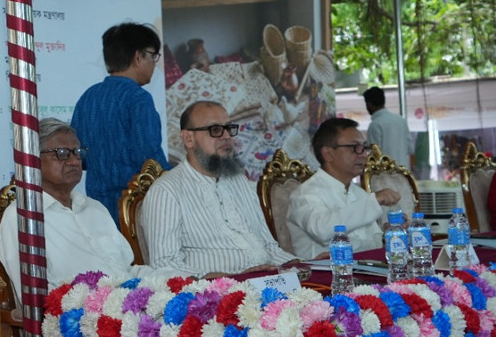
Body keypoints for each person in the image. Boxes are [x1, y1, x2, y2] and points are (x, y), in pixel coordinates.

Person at [140, 101, 297, 277]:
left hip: (267, 283)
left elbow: (269, 247)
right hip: (215, 295)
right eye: (215, 130)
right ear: (188, 139)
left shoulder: (239, 181)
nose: (226, 136)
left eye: (229, 128)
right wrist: (229, 278)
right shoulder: (166, 192)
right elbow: (164, 265)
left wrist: (303, 265)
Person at [0, 119, 136, 306]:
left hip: (130, 305)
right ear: (33, 161)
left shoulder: (95, 209)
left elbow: (128, 270)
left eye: (78, 153)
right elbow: (39, 300)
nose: (74, 161)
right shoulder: (23, 218)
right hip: (80, 322)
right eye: (62, 153)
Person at [71, 22, 171, 221]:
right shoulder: (139, 99)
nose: (154, 63)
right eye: (153, 56)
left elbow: (79, 157)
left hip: (97, 210)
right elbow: (151, 163)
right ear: (137, 57)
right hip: (135, 210)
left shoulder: (88, 96)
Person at [286, 117, 400, 259]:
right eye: (355, 148)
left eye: (364, 147)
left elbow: (368, 243)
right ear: (328, 154)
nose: (364, 155)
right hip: (324, 275)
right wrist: (374, 201)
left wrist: (389, 234)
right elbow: (323, 230)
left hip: (364, 270)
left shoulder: (358, 193)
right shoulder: (305, 194)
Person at [363, 87, 412, 168]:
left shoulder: (375, 124)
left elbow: (375, 156)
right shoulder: (401, 120)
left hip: (385, 175)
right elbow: (410, 149)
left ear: (369, 104)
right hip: (404, 174)